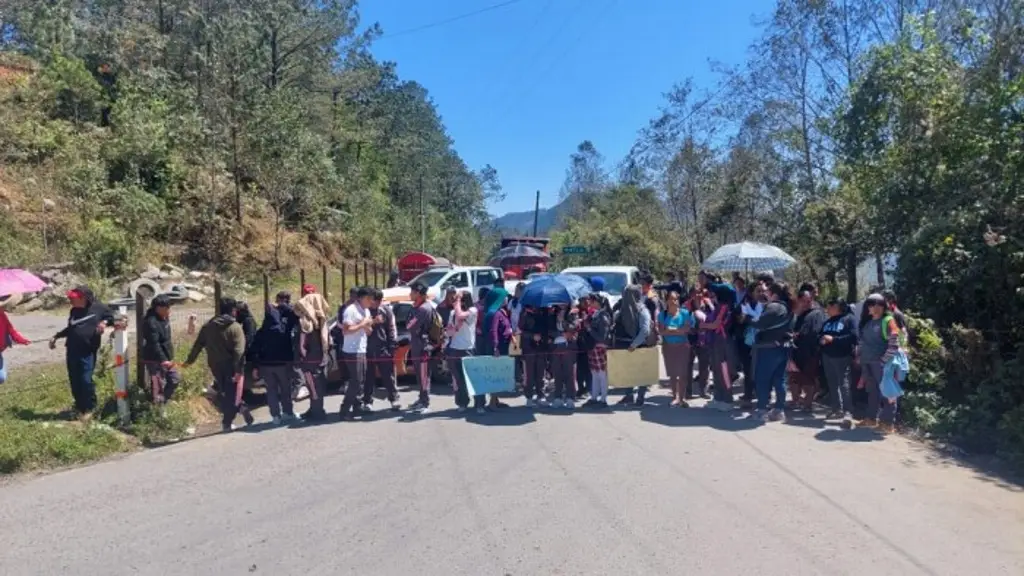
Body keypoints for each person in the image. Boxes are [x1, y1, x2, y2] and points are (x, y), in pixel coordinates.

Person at [184, 297, 253, 431]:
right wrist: (238, 369)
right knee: (231, 394)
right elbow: (239, 350)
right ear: (233, 310)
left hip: (215, 365)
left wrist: (189, 361)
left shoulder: (208, 326)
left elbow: (198, 345)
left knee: (226, 392)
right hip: (232, 366)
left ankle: (241, 407)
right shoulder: (235, 327)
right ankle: (227, 422)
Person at [49, 285, 116, 420]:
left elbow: (112, 317)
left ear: (84, 298)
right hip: (72, 349)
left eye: (73, 298)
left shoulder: (98, 308)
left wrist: (104, 322)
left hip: (88, 350)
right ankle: (79, 407)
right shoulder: (74, 311)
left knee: (86, 380)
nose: (70, 300)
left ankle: (90, 408)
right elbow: (71, 329)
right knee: (75, 380)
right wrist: (57, 336)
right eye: (70, 298)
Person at [750, 282, 794, 422]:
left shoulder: (773, 306)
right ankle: (779, 410)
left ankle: (762, 410)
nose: (765, 294)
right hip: (782, 347)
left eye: (767, 292)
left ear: (773, 294)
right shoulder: (788, 308)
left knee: (762, 379)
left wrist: (749, 317)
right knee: (779, 379)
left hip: (768, 348)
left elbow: (760, 323)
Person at [857, 293, 902, 432]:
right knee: (873, 392)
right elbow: (863, 342)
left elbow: (894, 342)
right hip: (868, 363)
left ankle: (887, 423)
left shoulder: (888, 320)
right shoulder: (867, 323)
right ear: (867, 307)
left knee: (888, 392)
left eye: (879, 304)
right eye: (872, 304)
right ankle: (871, 418)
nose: (875, 307)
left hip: (882, 364)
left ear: (884, 306)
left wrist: (883, 360)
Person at [255, 291, 300, 425]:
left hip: (265, 363)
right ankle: (288, 413)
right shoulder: (286, 323)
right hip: (283, 362)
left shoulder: (264, 327)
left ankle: (275, 416)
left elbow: (255, 345)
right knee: (285, 389)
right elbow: (296, 317)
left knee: (271, 390)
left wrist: (256, 364)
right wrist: (285, 306)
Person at [294, 285, 330, 422]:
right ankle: (315, 409)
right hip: (321, 358)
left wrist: (301, 357)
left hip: (310, 360)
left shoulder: (305, 322)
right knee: (317, 384)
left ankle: (317, 412)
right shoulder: (322, 318)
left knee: (313, 386)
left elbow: (302, 346)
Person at [819, 297, 856, 428]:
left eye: (830, 307)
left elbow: (853, 337)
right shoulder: (827, 322)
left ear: (837, 307)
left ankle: (848, 412)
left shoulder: (849, 319)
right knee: (832, 383)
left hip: (842, 356)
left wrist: (833, 339)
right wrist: (821, 340)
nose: (827, 309)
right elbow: (820, 334)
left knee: (843, 384)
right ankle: (836, 408)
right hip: (827, 356)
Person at [613, 285, 652, 407]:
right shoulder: (622, 311)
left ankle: (640, 398)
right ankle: (629, 396)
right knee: (628, 373)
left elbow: (645, 330)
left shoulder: (642, 311)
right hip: (627, 347)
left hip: (638, 346)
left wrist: (634, 344)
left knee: (641, 373)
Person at [790, 284, 827, 412]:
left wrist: (799, 335)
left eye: (808, 301)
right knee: (794, 377)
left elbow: (815, 332)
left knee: (808, 379)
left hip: (810, 352)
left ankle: (808, 404)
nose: (806, 303)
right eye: (803, 301)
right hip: (796, 351)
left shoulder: (817, 313)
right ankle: (795, 401)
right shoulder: (798, 314)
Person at [338, 286, 373, 419]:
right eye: (369, 299)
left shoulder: (367, 311)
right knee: (356, 381)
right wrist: (362, 324)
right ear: (362, 298)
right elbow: (346, 330)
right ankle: (345, 409)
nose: (370, 302)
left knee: (361, 379)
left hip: (362, 348)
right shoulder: (351, 310)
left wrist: (368, 326)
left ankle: (357, 407)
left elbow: (368, 330)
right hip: (351, 350)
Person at [446, 291, 481, 413]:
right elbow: (449, 331)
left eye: (458, 299)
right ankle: (462, 402)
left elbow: (461, 315)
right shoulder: (452, 313)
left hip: (468, 348)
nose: (455, 301)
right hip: (454, 348)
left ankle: (479, 404)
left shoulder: (473, 310)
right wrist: (452, 329)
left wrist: (458, 302)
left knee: (472, 378)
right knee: (458, 379)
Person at [701, 286, 735, 411]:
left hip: (723, 342)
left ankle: (727, 399)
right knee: (715, 370)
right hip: (716, 341)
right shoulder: (719, 306)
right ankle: (718, 398)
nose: (712, 296)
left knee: (723, 370)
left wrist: (703, 325)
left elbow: (716, 324)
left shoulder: (724, 307)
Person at [141, 295, 179, 407]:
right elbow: (154, 343)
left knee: (174, 379)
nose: (169, 310)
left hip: (166, 357)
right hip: (155, 359)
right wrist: (163, 360)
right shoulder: (151, 322)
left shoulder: (164, 318)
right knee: (158, 385)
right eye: (167, 308)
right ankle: (158, 409)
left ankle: (163, 402)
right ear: (159, 308)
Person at [366, 289, 401, 412]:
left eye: (375, 300)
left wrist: (391, 347)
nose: (372, 302)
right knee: (368, 377)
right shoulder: (366, 310)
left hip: (383, 348)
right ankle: (367, 401)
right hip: (367, 349)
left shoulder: (386, 311)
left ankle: (394, 399)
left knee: (388, 376)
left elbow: (392, 329)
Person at [658, 291, 694, 407]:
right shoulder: (662, 315)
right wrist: (677, 331)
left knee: (683, 373)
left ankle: (682, 398)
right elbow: (662, 331)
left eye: (676, 299)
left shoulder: (685, 313)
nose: (674, 302)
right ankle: (675, 397)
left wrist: (672, 331)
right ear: (667, 300)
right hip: (668, 347)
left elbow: (687, 329)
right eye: (671, 299)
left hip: (683, 346)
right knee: (673, 373)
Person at [406, 281, 437, 413]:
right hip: (418, 344)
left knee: (424, 376)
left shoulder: (424, 309)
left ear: (418, 293)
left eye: (412, 292)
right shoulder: (418, 307)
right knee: (420, 375)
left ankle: (425, 403)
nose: (410, 294)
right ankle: (421, 399)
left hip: (423, 346)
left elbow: (410, 325)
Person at [581, 293, 612, 408]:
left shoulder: (603, 316)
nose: (589, 302)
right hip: (593, 348)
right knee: (595, 373)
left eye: (591, 300)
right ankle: (594, 397)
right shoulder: (596, 314)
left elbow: (602, 337)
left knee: (602, 374)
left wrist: (589, 329)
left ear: (597, 302)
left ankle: (603, 399)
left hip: (599, 348)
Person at [519, 303, 551, 407]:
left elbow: (547, 328)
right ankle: (529, 397)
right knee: (529, 374)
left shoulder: (544, 311)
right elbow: (521, 331)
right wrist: (532, 336)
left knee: (540, 373)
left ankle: (540, 395)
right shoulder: (524, 313)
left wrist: (545, 338)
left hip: (542, 347)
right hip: (529, 348)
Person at [549, 302, 579, 409]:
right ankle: (558, 397)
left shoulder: (573, 313)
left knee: (569, 373)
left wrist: (563, 322)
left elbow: (574, 326)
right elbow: (548, 329)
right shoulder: (552, 313)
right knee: (557, 373)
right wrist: (558, 333)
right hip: (556, 346)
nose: (562, 304)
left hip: (569, 346)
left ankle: (570, 397)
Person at [0, 307, 30, 384]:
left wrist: (22, 340)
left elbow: (11, 331)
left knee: (1, 377)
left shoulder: (2, 316)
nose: (3, 308)